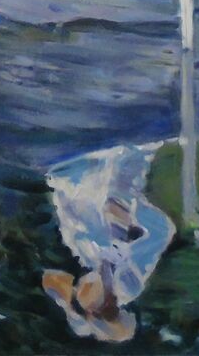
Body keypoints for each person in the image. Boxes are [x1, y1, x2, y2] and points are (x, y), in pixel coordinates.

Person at [41, 143, 175, 343]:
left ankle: (88, 169)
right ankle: (129, 154)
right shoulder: (128, 287)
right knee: (119, 194)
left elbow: (50, 278)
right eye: (106, 315)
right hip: (130, 220)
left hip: (84, 193)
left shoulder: (89, 274)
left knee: (88, 221)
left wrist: (69, 308)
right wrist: (128, 228)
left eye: (91, 314)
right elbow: (156, 237)